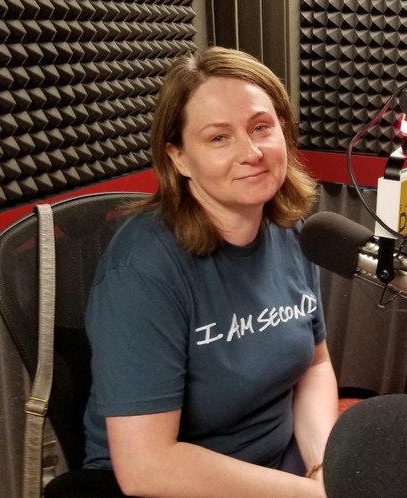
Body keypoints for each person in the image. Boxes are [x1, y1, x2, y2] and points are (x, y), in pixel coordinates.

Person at [81, 47, 337, 497]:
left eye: (261, 127)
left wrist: (322, 469)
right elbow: (147, 467)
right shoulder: (142, 272)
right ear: (178, 158)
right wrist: (309, 495)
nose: (252, 152)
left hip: (281, 470)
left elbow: (315, 366)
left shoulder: (291, 230)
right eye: (219, 138)